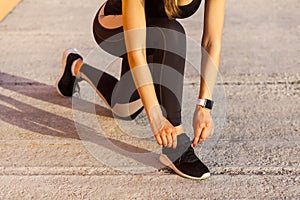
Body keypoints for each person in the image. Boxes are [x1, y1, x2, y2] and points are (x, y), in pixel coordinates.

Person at [56, 0, 225, 180]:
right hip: (115, 27)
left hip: (153, 31)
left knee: (124, 109)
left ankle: (75, 65)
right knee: (171, 33)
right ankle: (176, 145)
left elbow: (211, 41)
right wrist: (156, 116)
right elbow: (136, 52)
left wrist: (204, 106)